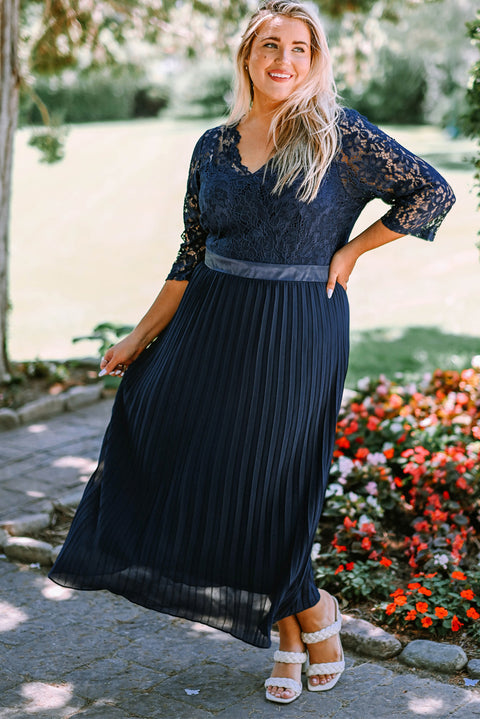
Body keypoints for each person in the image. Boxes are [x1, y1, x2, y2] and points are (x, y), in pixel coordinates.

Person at [49, 0, 455, 706]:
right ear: (247, 56)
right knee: (202, 469)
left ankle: (310, 618)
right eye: (270, 45)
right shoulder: (212, 145)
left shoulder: (340, 135)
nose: (283, 60)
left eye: (299, 48)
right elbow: (192, 251)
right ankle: (299, 628)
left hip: (298, 325)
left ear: (316, 59)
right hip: (211, 321)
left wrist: (354, 251)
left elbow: (432, 192)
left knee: (272, 484)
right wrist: (139, 336)